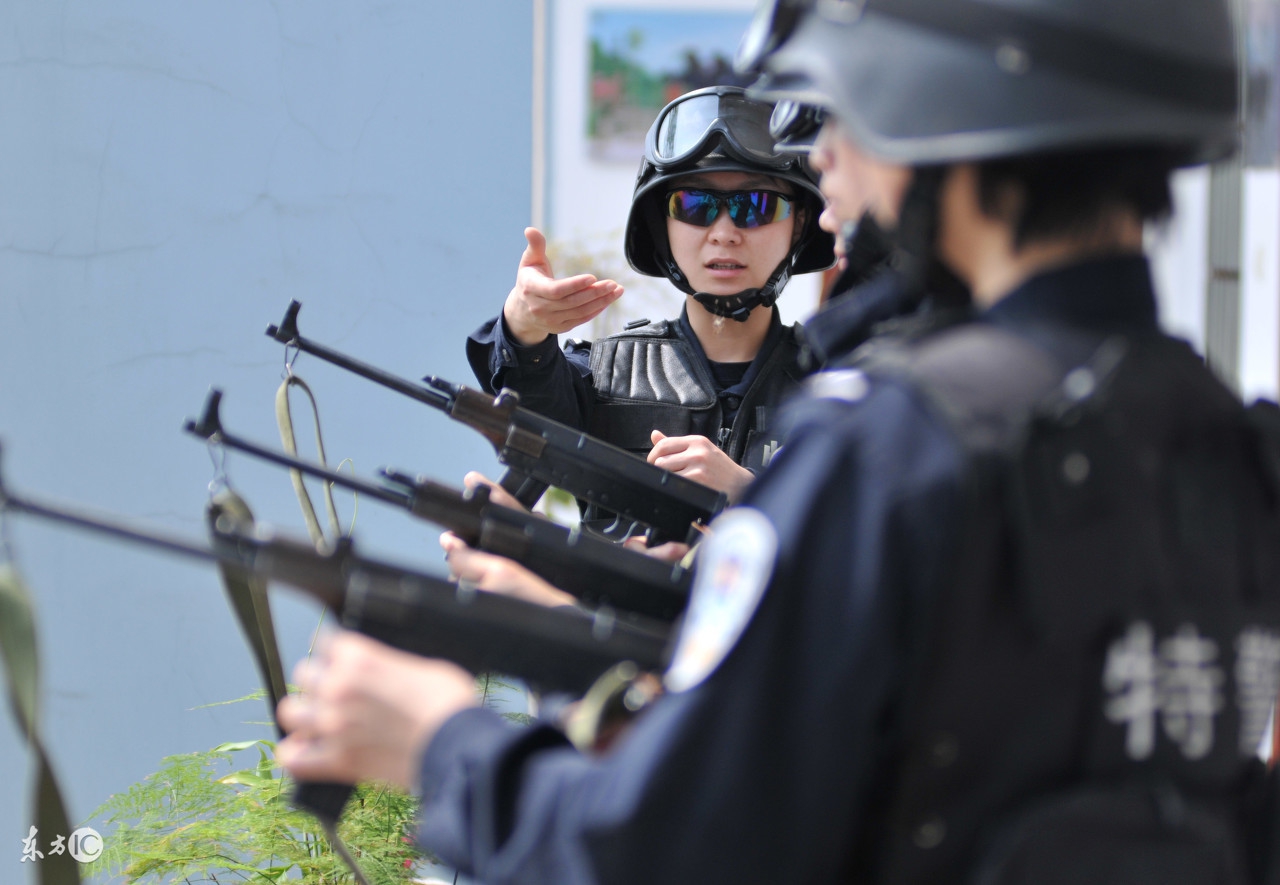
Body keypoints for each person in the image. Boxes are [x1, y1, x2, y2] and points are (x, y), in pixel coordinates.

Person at [277, 1, 1280, 882]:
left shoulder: (892, 450)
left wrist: (438, 740)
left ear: (941, 107)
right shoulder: (1223, 444)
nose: (825, 160)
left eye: (844, 107)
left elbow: (654, 852)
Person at [465, 85, 833, 503]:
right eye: (695, 204)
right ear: (662, 225)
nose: (725, 233)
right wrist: (524, 327)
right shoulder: (603, 377)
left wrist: (749, 494)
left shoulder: (843, 385)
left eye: (759, 205)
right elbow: (533, 413)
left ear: (799, 223)